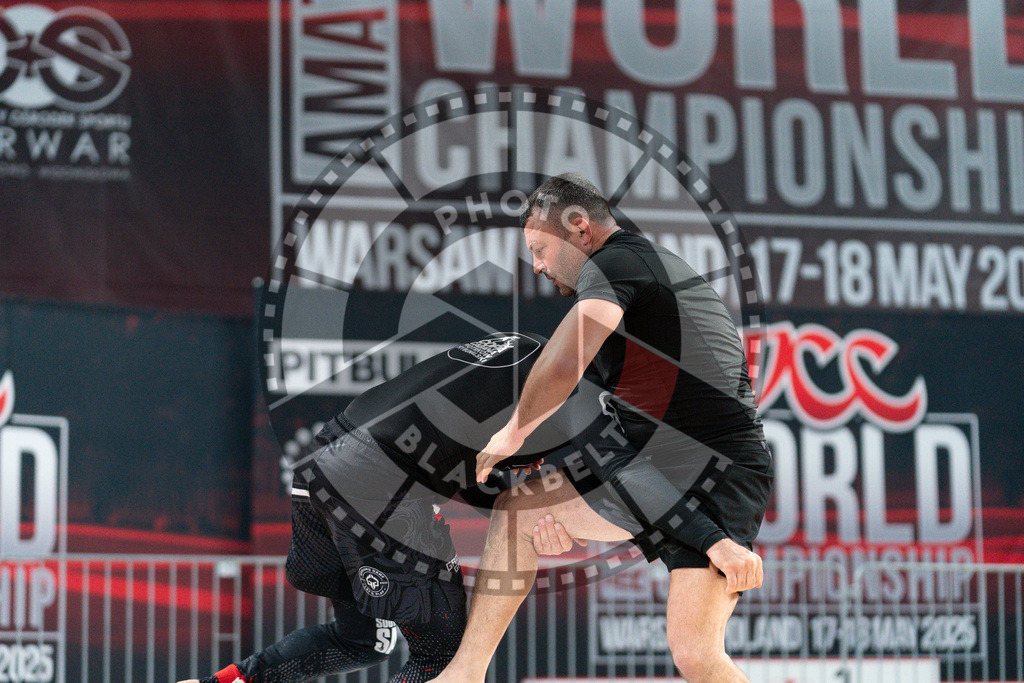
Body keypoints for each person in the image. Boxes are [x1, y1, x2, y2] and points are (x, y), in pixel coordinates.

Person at [178, 330, 748, 683]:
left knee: (361, 639)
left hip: (316, 479)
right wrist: (710, 539)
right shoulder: (570, 393)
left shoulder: (514, 353)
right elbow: (621, 475)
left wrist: (532, 511)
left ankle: (229, 682)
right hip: (377, 494)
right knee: (449, 659)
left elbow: (476, 475)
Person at [429, 173, 774, 683]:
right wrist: (555, 499)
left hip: (718, 477)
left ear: (580, 228)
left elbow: (561, 363)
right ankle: (463, 675)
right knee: (520, 511)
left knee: (697, 654)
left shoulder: (621, 264)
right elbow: (604, 443)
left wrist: (515, 432)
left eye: (540, 248)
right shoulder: (619, 316)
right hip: (652, 469)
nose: (537, 265)